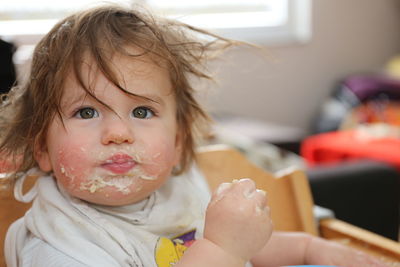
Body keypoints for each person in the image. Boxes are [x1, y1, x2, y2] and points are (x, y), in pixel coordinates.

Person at [0, 4, 388, 267]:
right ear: (43, 150)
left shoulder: (179, 189)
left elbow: (247, 247)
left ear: (180, 144)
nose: (118, 132)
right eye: (86, 111)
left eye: (142, 111)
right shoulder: (59, 247)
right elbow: (226, 248)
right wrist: (221, 249)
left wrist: (309, 246)